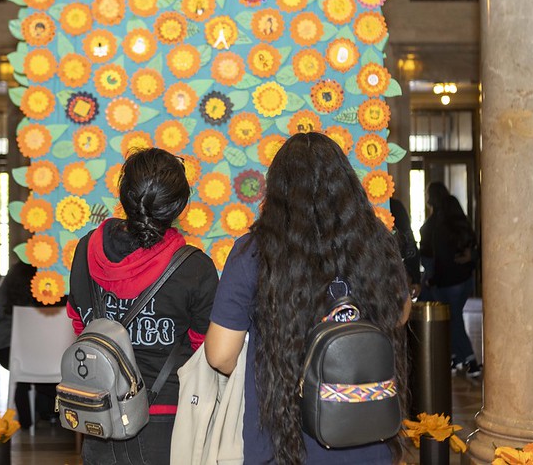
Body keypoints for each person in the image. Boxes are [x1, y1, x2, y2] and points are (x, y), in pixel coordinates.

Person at [204, 132, 410, 465]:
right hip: (370, 440)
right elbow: (399, 314)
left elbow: (219, 354)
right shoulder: (377, 243)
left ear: (279, 191)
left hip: (284, 444)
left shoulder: (253, 253)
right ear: (346, 186)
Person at [66, 148, 219, 465]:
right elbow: (206, 351)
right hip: (165, 420)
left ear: (124, 195)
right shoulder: (195, 268)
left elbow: (81, 326)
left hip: (99, 412)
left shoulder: (84, 250)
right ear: (178, 206)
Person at [0, 261, 65, 428]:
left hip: (6, 347)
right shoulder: (57, 284)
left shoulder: (11, 280)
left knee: (25, 365)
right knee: (55, 361)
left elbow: (1, 307)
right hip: (52, 353)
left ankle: (29, 416)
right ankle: (53, 407)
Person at [419, 182, 481, 378]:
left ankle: (470, 361)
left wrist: (432, 279)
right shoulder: (457, 219)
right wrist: (469, 264)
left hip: (447, 282)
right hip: (464, 280)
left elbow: (439, 258)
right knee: (452, 319)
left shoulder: (436, 225)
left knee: (452, 321)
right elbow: (471, 247)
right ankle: (455, 357)